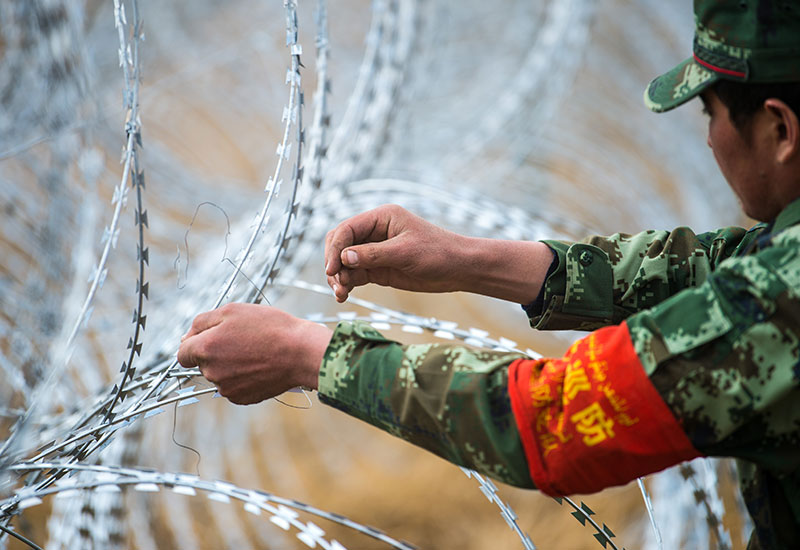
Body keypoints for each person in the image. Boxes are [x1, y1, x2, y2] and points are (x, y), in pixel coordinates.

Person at [177, 1, 800, 547]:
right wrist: (465, 258)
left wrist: (303, 353)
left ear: (779, 129)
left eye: (709, 115)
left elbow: (551, 423)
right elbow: (714, 267)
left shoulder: (783, 300)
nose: (713, 140)